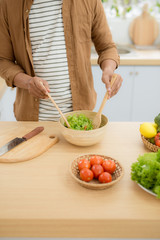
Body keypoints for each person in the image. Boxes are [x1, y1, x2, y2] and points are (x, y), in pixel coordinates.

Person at [0, 0, 123, 121]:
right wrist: (28, 82)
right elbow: (3, 60)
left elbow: (107, 47)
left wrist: (108, 69)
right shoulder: (7, 4)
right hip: (32, 121)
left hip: (80, 117)